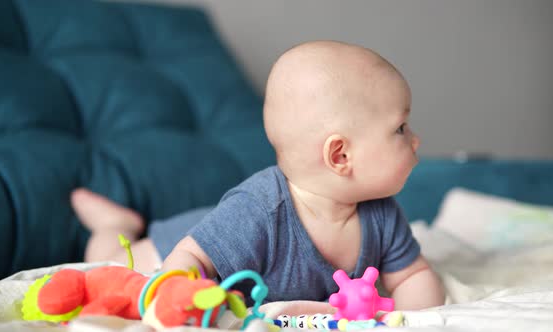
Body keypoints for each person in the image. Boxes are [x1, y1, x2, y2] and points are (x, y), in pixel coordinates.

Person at [72, 40, 445, 310]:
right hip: (176, 245)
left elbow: (411, 277)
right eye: (400, 129)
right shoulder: (259, 209)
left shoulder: (381, 214)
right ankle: (112, 225)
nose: (415, 139)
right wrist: (180, 294)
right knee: (112, 263)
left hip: (224, 230)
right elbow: (191, 257)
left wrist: (410, 316)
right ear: (340, 154)